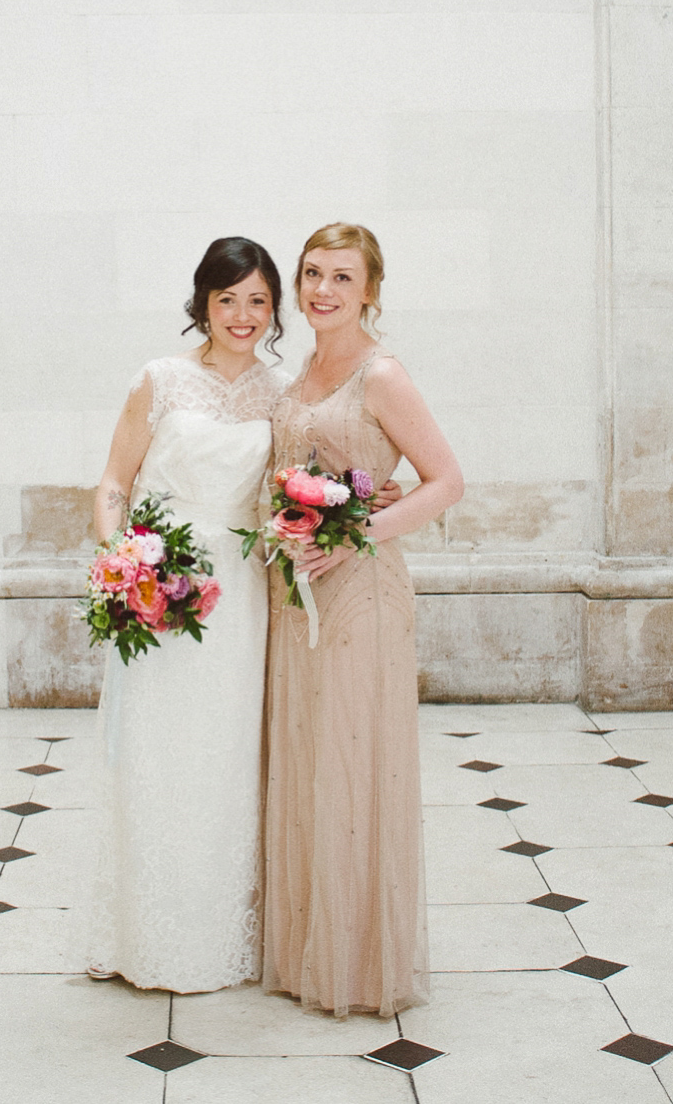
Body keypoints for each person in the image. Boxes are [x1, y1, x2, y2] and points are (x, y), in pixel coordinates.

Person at [262, 222, 464, 1019]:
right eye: (313, 274)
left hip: (363, 594)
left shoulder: (383, 375)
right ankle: (305, 945)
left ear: (371, 290)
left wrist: (353, 535)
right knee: (308, 755)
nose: (323, 291)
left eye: (343, 278)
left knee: (354, 758)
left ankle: (358, 960)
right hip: (296, 593)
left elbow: (446, 481)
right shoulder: (299, 370)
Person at [85, 236, 288, 992]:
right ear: (202, 301)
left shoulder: (280, 394)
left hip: (239, 596)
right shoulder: (160, 380)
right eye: (228, 298)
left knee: (227, 753)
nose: (243, 315)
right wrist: (125, 560)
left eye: (258, 300)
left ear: (275, 310)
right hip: (160, 584)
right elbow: (112, 482)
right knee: (154, 749)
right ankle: (144, 933)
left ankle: (216, 932)